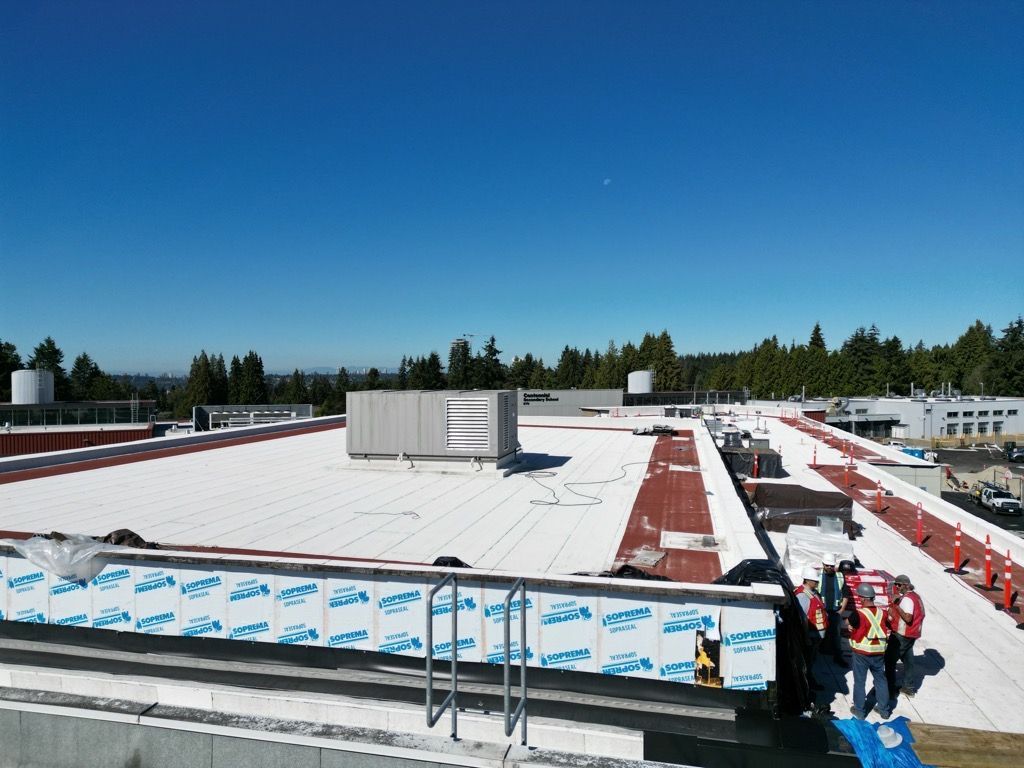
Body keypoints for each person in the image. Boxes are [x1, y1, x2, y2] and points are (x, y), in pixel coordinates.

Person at [847, 583, 891, 720]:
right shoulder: (883, 613)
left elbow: (849, 623)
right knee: (881, 680)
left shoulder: (859, 613)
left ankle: (860, 711)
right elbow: (887, 624)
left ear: (863, 598)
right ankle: (884, 710)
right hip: (879, 653)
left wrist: (850, 626)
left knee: (860, 682)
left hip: (861, 653)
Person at [885, 574, 925, 698]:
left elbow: (908, 618)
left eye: (899, 585)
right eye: (895, 584)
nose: (896, 587)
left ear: (906, 585)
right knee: (908, 660)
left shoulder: (907, 600)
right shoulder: (915, 597)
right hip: (911, 634)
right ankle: (908, 687)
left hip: (902, 635)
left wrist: (896, 606)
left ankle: (889, 690)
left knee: (889, 661)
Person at [794, 565, 828, 690]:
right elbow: (802, 619)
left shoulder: (813, 593)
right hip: (810, 636)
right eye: (815, 581)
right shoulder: (803, 596)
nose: (817, 583)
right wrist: (806, 637)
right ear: (807, 580)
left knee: (811, 661)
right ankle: (806, 685)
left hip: (816, 636)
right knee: (807, 662)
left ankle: (808, 682)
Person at [818, 553, 850, 667]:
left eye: (831, 566)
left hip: (835, 612)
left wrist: (842, 610)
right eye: (827, 565)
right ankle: (817, 655)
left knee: (836, 635)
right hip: (821, 611)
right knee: (819, 634)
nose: (829, 567)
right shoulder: (818, 575)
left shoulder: (840, 576)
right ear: (823, 564)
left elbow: (845, 594)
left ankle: (838, 657)